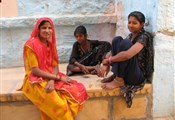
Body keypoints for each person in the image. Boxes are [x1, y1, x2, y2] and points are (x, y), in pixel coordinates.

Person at [22, 17, 88, 120]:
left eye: (49, 28)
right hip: (35, 80)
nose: (47, 31)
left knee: (77, 90)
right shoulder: (31, 45)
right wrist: (58, 78)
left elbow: (55, 65)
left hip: (51, 76)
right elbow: (35, 70)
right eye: (44, 28)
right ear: (38, 30)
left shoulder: (50, 43)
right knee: (60, 105)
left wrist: (53, 80)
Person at [98, 11, 154, 107]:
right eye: (129, 22)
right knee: (117, 39)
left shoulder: (144, 37)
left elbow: (127, 55)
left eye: (134, 23)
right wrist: (106, 63)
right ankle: (117, 76)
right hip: (130, 72)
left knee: (125, 44)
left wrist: (109, 60)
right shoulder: (131, 36)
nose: (131, 25)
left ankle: (119, 80)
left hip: (138, 76)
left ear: (142, 24)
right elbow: (117, 53)